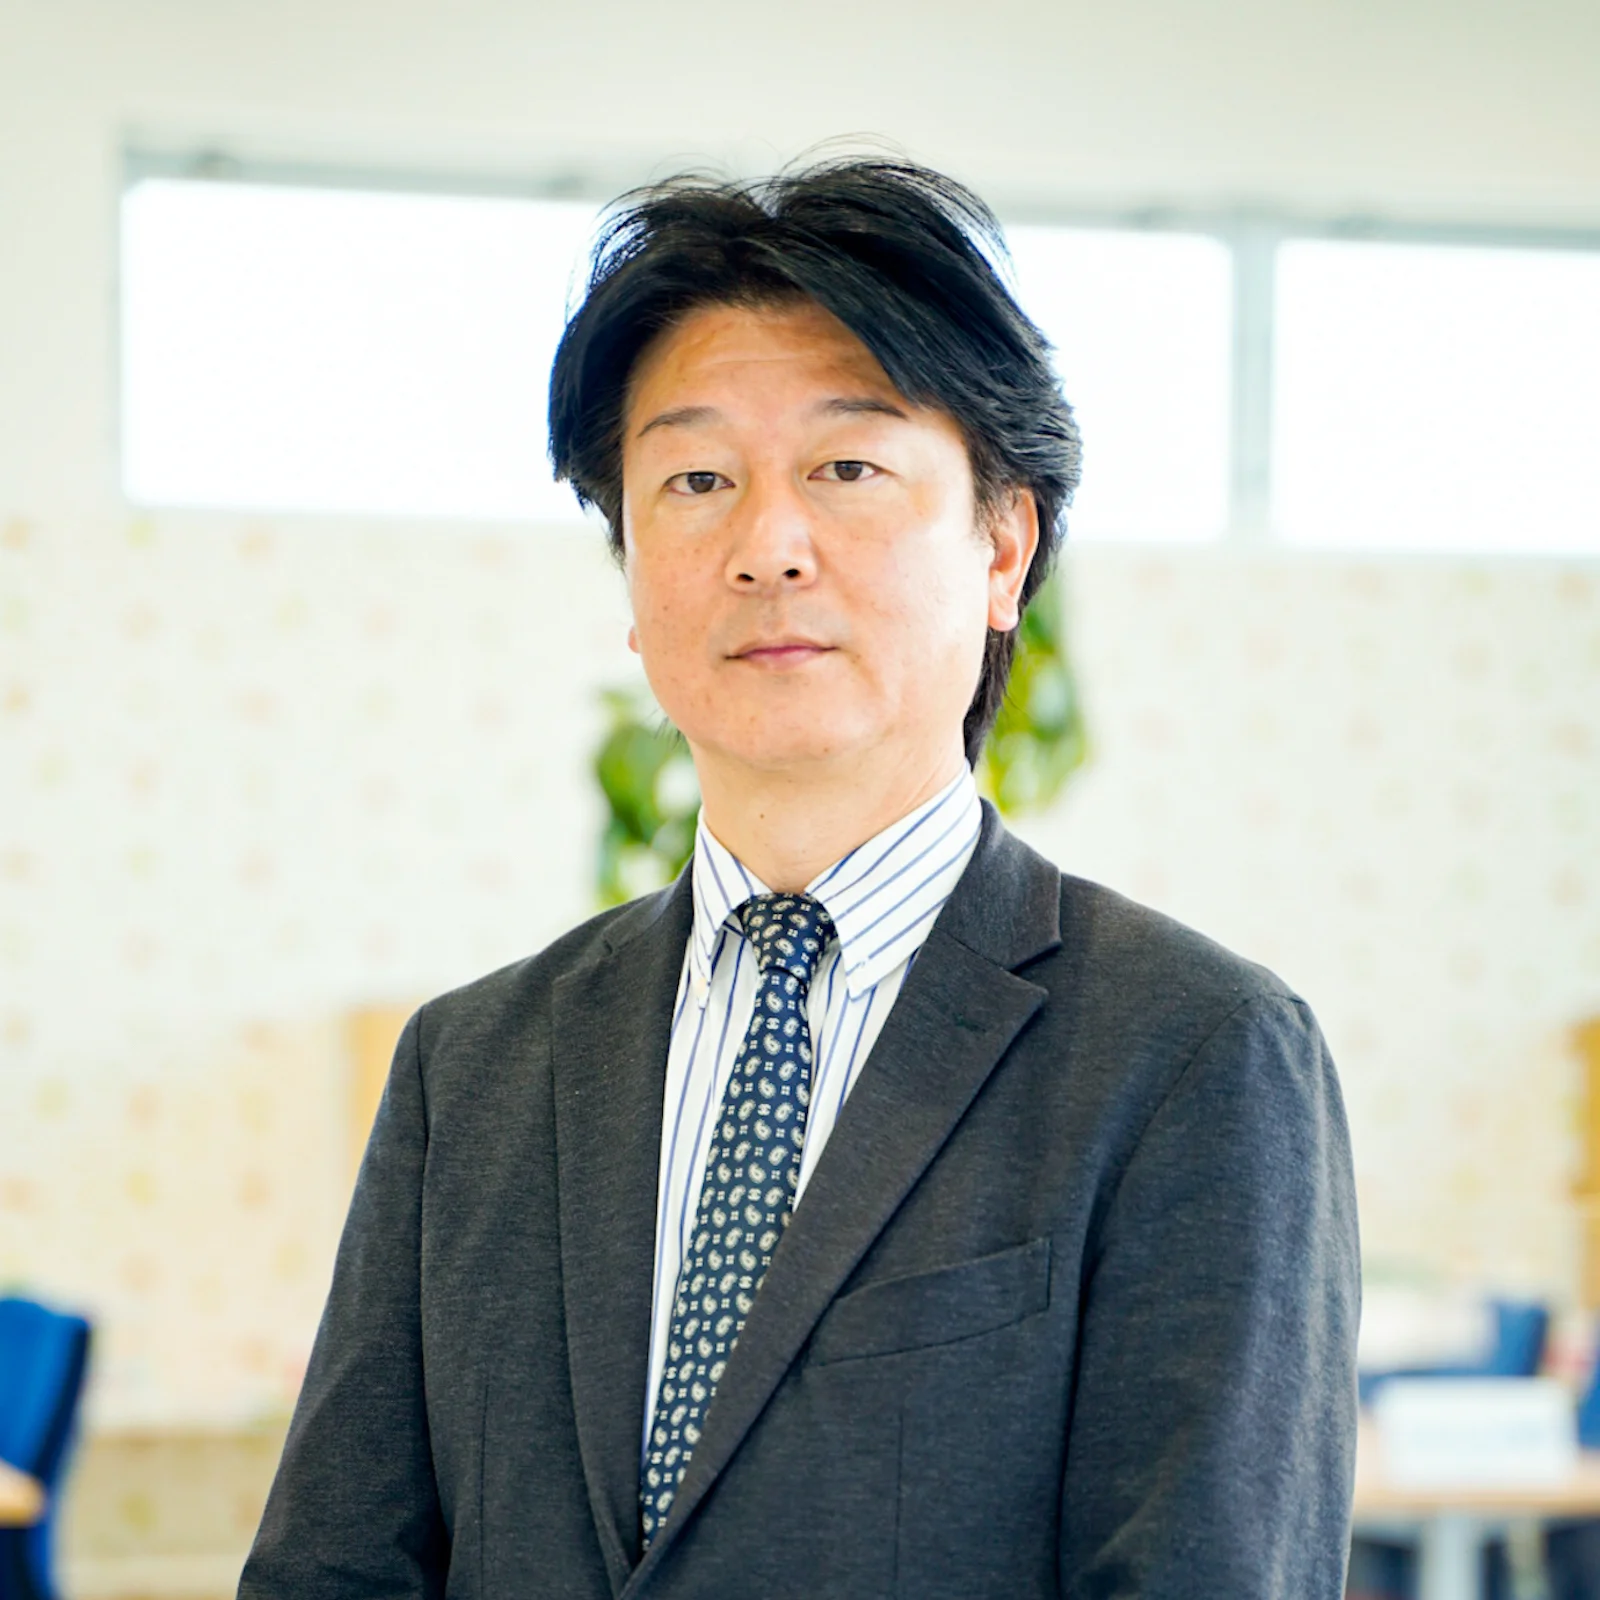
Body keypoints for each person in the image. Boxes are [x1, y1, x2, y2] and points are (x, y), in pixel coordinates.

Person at [239, 158, 1359, 1600]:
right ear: (630, 572)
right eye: (696, 481)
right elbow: (334, 1570)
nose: (767, 547)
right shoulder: (474, 1067)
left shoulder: (1194, 1055)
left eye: (848, 469)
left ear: (1003, 546)